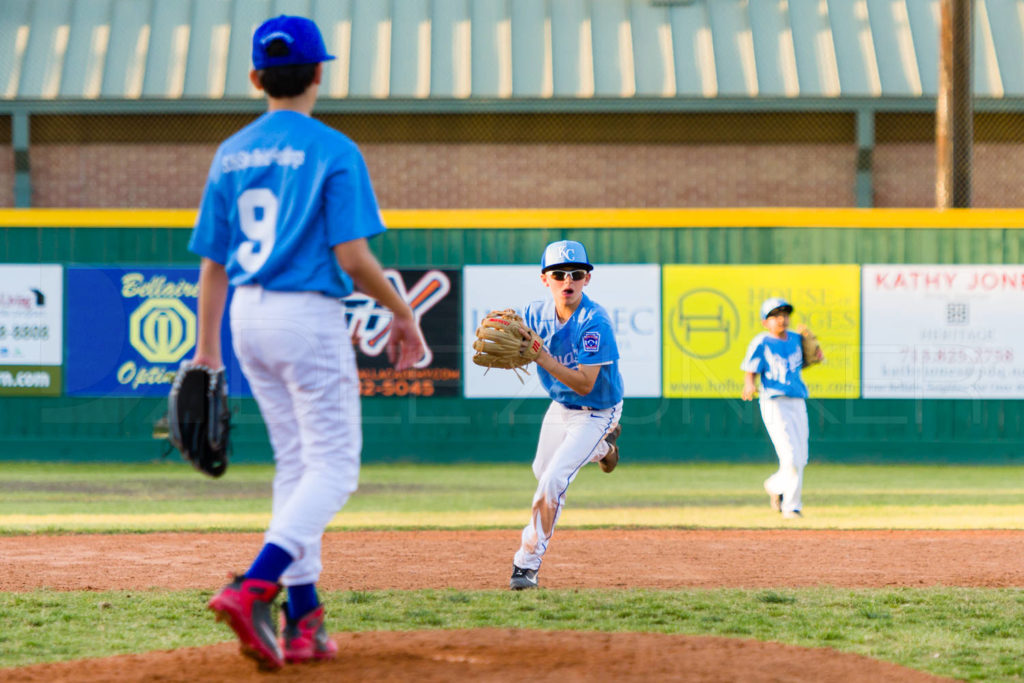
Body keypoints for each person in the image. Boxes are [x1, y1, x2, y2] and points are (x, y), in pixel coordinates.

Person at [188, 15, 424, 670]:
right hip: (305, 313)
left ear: (255, 78)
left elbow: (211, 262)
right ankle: (254, 585)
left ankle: (305, 619)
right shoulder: (333, 148)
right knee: (335, 465)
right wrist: (401, 309)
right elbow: (352, 256)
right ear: (320, 73)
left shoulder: (231, 152)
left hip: (245, 316)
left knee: (296, 463)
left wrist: (206, 351)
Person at [508, 240, 624, 590]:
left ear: (587, 278)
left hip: (598, 409)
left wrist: (541, 356)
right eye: (558, 274)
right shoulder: (533, 314)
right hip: (561, 406)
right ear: (545, 279)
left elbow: (586, 384)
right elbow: (509, 338)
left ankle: (526, 564)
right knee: (541, 471)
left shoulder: (594, 321)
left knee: (553, 481)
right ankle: (603, 450)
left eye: (576, 273)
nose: (567, 280)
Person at [740, 297, 822, 520]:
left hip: (797, 400)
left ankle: (776, 487)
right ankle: (791, 506)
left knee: (801, 457)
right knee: (791, 456)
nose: (781, 319)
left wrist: (816, 356)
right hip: (774, 402)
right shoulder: (761, 342)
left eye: (784, 315)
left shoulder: (796, 339)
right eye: (775, 316)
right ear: (765, 321)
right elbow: (751, 369)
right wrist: (749, 384)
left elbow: (803, 362)